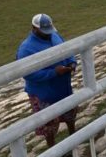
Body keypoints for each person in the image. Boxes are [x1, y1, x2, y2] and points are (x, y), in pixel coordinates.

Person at [17, 14, 77, 149]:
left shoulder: (55, 36)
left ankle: (74, 137)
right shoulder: (26, 49)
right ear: (34, 28)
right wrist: (54, 72)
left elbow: (66, 50)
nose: (48, 34)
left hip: (63, 88)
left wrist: (72, 62)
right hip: (43, 93)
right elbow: (28, 74)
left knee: (70, 113)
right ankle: (53, 149)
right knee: (49, 123)